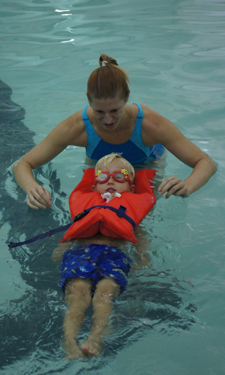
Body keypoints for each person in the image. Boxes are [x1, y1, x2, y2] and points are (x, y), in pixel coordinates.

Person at [12, 53, 217, 210]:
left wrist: (188, 186)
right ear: (88, 99)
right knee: (91, 213)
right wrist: (32, 188)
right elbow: (23, 164)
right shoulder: (77, 127)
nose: (108, 120)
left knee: (136, 219)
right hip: (101, 168)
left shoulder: (150, 124)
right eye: (99, 111)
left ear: (127, 97)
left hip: (145, 164)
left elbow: (206, 163)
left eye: (115, 111)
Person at [52, 154, 153, 360]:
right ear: (94, 187)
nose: (110, 180)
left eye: (119, 176)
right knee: (77, 292)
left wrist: (143, 257)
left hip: (114, 256)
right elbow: (71, 234)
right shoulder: (85, 209)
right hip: (81, 253)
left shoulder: (132, 213)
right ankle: (69, 340)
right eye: (103, 176)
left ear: (131, 188)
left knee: (105, 293)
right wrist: (62, 248)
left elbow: (141, 238)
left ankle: (96, 336)